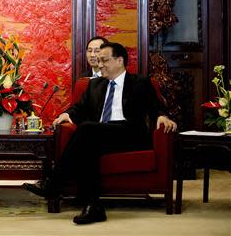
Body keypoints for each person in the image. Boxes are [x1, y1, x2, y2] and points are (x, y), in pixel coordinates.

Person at [23, 42, 177, 225]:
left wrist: (162, 117)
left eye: (104, 60)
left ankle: (54, 184)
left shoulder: (141, 82)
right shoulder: (94, 85)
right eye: (98, 60)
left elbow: (156, 107)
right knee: (89, 145)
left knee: (87, 129)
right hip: (101, 134)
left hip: (130, 134)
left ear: (119, 61)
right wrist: (67, 114)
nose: (100, 64)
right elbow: (79, 109)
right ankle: (93, 207)